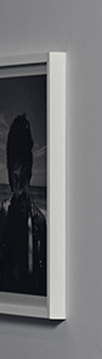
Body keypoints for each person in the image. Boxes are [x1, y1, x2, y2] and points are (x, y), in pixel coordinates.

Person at [0, 113, 47, 296]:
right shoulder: (1, 215)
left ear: (30, 176)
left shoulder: (39, 222)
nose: (19, 187)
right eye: (15, 178)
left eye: (24, 176)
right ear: (10, 180)